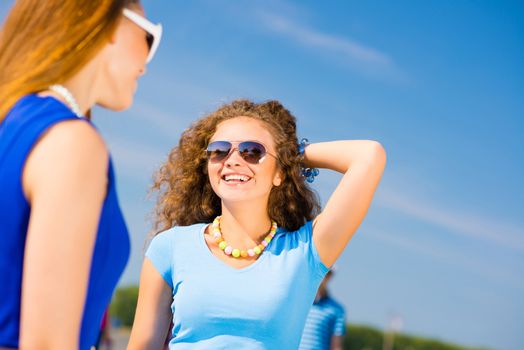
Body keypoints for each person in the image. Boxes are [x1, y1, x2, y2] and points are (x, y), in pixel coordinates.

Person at [128, 99, 386, 349]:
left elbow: (368, 155)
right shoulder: (170, 246)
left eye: (252, 151)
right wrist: (273, 157)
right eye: (219, 150)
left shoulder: (305, 252)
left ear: (279, 174)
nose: (233, 159)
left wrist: (291, 157)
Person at [0, 1, 162, 349]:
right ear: (103, 21)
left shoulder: (14, 124)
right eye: (149, 38)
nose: (146, 66)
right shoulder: (72, 142)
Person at [299, 269, 346, 350]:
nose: (322, 276)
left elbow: (336, 346)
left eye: (326, 273)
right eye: (320, 270)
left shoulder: (338, 309)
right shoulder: (297, 302)